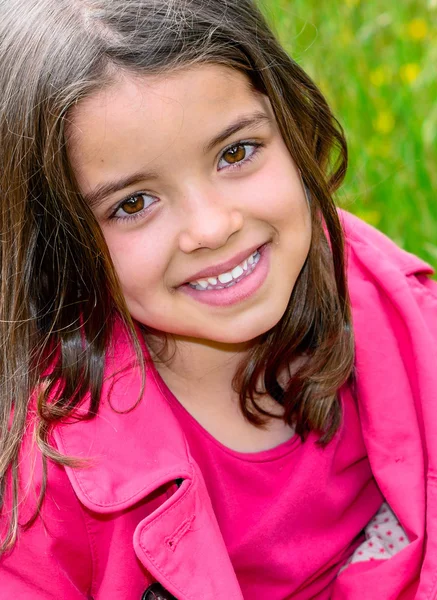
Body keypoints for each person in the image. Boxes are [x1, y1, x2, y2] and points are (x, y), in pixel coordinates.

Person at [0, 0, 436, 598]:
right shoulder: (42, 486)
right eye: (133, 203)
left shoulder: (400, 312)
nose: (211, 227)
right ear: (57, 244)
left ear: (291, 124)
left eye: (235, 153)